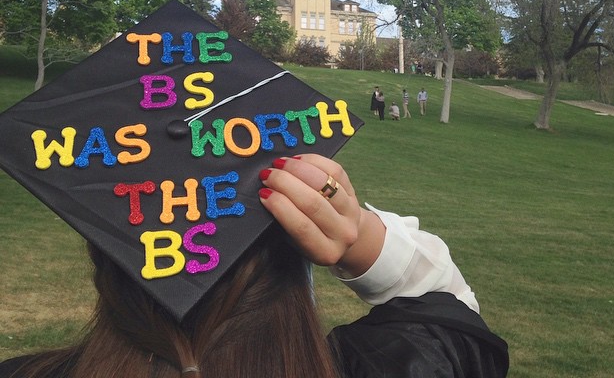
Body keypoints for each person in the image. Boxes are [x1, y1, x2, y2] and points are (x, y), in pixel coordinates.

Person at [0, 154, 509, 378]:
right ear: (296, 256)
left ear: (103, 262)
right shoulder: (397, 366)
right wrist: (355, 234)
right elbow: (448, 310)